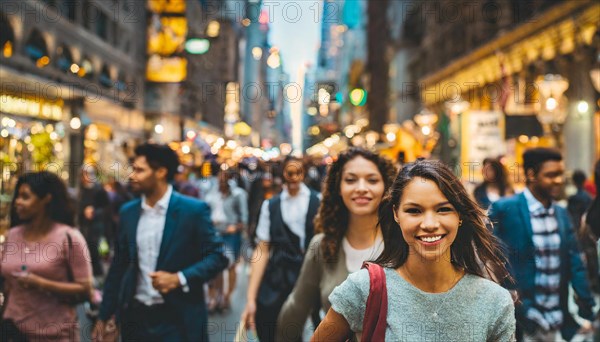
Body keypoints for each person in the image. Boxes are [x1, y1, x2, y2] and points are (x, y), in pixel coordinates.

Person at [312, 160, 516, 341]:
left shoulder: (494, 301)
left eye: (443, 209)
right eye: (414, 211)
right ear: (396, 214)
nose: (429, 224)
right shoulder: (363, 289)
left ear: (459, 216)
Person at [92, 143, 228, 341]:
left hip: (177, 320)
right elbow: (118, 267)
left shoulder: (193, 211)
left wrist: (179, 278)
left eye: (140, 170)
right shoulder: (128, 212)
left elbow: (218, 257)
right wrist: (104, 316)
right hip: (135, 319)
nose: (132, 176)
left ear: (161, 172)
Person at [276, 148, 396, 341]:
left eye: (372, 180)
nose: (362, 187)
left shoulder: (402, 246)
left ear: (386, 187)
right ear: (338, 188)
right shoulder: (322, 246)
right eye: (351, 180)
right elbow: (295, 309)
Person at [489, 148, 597, 341]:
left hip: (555, 318)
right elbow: (493, 257)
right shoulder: (505, 209)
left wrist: (587, 306)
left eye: (560, 174)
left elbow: (575, 262)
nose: (559, 180)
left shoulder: (561, 213)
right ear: (531, 175)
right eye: (551, 175)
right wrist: (513, 296)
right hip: (521, 319)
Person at [1, 171, 93, 341]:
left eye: (25, 197)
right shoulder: (12, 235)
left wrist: (40, 283)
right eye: (17, 197)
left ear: (46, 199)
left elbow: (86, 289)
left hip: (54, 333)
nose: (18, 202)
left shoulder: (69, 237)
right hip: (13, 331)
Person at [241, 156, 321, 342]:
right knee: (269, 330)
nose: (293, 177)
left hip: (309, 278)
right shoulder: (271, 205)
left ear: (304, 174)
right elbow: (262, 249)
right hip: (276, 279)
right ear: (283, 174)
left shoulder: (318, 201)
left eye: (298, 173)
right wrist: (251, 298)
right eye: (289, 173)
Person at [204, 170, 248, 312]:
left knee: (230, 266)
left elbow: (244, 217)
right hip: (215, 232)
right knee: (216, 266)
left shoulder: (238, 194)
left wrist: (235, 227)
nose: (221, 183)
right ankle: (216, 296)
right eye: (219, 180)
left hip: (230, 234)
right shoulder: (211, 193)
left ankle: (227, 297)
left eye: (224, 180)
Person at [78, 166, 110, 277]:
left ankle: (97, 274)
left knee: (94, 248)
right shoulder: (81, 189)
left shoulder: (98, 189)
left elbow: (106, 208)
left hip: (96, 225)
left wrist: (94, 212)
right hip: (83, 225)